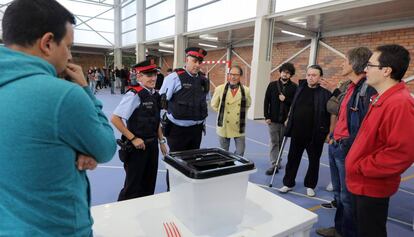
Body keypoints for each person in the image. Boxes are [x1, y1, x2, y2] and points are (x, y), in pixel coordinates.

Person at [0, 0, 117, 236]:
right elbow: (105, 147)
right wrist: (85, 90)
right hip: (56, 228)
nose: (70, 55)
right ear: (47, 43)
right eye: (68, 45)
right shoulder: (63, 96)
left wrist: (62, 152)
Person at [345, 44, 414, 237]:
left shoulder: (400, 104)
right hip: (361, 183)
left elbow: (402, 153)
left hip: (371, 185)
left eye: (370, 65)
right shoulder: (380, 98)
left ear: (386, 71)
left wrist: (361, 166)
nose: (365, 69)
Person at [316, 47, 376, 237]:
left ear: (354, 64)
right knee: (339, 195)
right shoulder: (350, 86)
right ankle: (339, 228)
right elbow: (338, 112)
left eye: (345, 61)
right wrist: (334, 136)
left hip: (346, 148)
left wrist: (347, 144)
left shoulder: (367, 90)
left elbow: (365, 127)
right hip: (337, 144)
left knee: (348, 197)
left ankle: (346, 232)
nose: (342, 64)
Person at [111, 59, 168, 200]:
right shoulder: (134, 95)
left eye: (154, 74)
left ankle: (144, 215)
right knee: (133, 186)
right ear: (139, 76)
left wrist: (161, 141)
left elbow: (156, 121)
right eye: (149, 75)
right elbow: (115, 119)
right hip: (137, 149)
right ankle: (124, 215)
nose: (153, 78)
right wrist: (133, 138)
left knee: (149, 184)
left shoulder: (155, 94)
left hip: (152, 145)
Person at [279, 65, 331, 197]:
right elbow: (293, 106)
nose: (310, 77)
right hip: (297, 132)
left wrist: (328, 132)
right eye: (308, 75)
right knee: (292, 159)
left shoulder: (325, 93)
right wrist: (289, 118)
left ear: (320, 77)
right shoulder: (300, 88)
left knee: (314, 161)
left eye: (314, 75)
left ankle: (310, 185)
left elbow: (330, 114)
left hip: (315, 134)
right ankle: (288, 183)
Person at [159, 47, 209, 152]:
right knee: (177, 163)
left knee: (193, 161)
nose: (197, 65)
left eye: (200, 62)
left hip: (197, 130)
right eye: (194, 61)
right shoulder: (174, 78)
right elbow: (161, 102)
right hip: (177, 131)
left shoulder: (203, 80)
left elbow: (204, 101)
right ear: (187, 60)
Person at [263, 62, 297, 175]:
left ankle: (278, 160)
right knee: (274, 142)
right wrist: (266, 116)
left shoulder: (294, 87)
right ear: (280, 72)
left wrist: (285, 99)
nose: (285, 74)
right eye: (283, 72)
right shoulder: (272, 85)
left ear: (291, 75)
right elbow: (266, 101)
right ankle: (274, 164)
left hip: (285, 121)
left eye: (288, 73)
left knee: (281, 142)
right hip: (272, 120)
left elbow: (295, 104)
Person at [211, 65, 251, 156]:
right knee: (223, 152)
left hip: (239, 125)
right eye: (231, 74)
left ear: (240, 76)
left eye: (236, 74)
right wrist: (224, 113)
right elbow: (214, 105)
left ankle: (235, 165)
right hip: (224, 124)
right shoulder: (220, 89)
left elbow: (248, 104)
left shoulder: (246, 90)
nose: (233, 77)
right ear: (228, 75)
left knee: (240, 151)